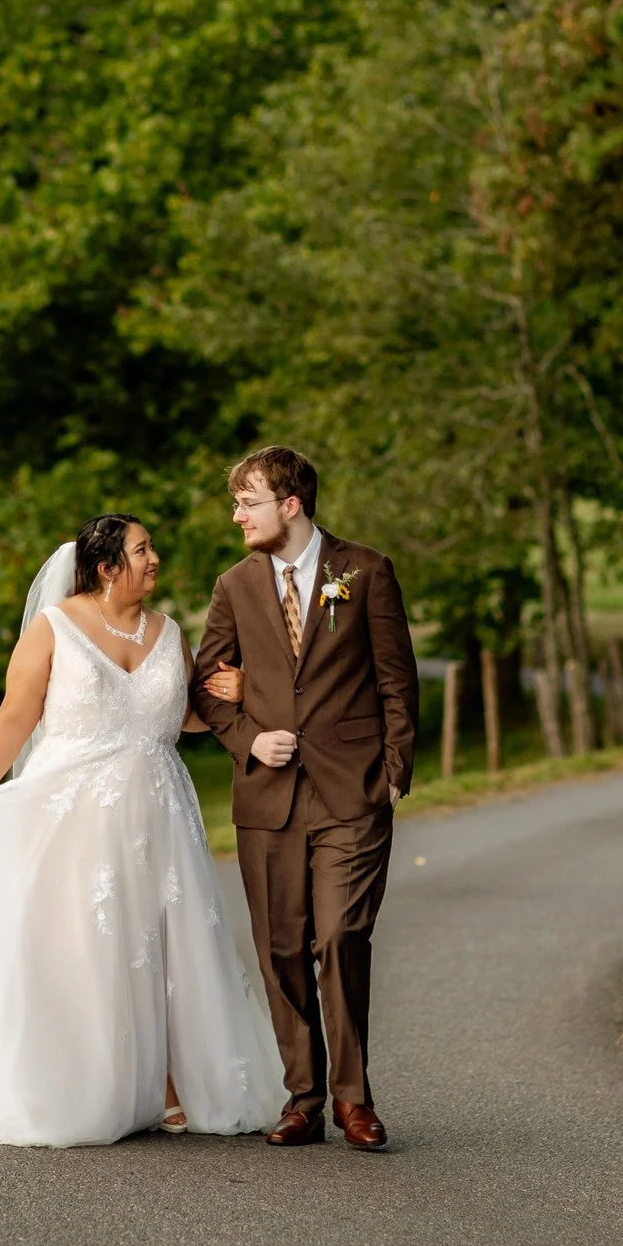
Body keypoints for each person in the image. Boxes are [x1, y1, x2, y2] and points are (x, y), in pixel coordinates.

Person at [0, 514, 285, 1147]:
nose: (155, 559)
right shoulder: (55, 629)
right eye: (142, 550)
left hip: (160, 811)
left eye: (151, 548)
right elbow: (17, 715)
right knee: (87, 945)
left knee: (166, 942)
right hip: (73, 814)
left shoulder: (170, 632)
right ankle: (84, 1082)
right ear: (107, 568)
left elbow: (187, 718)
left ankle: (174, 1081)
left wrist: (240, 695)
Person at [188, 446, 419, 1151]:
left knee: (341, 935)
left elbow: (397, 679)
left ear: (289, 503)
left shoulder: (365, 571)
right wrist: (249, 738)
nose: (237, 514)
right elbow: (202, 685)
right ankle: (303, 1096)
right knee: (282, 946)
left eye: (247, 501)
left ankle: (354, 1097)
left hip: (353, 791)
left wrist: (393, 773)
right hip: (269, 797)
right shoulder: (233, 585)